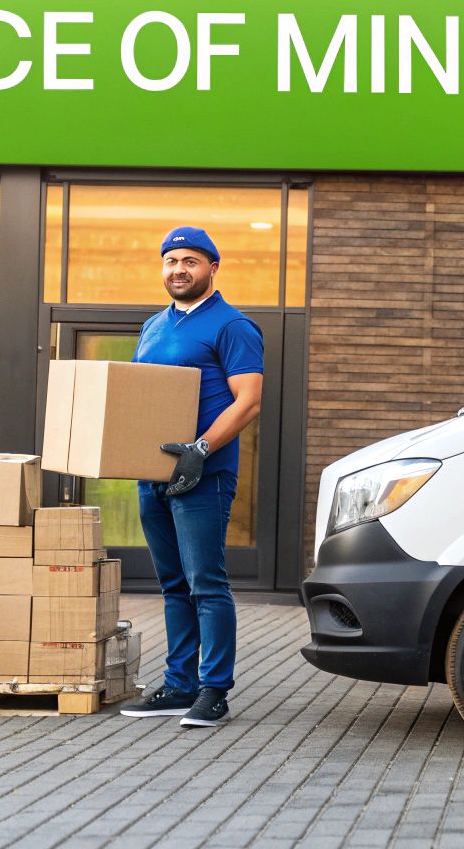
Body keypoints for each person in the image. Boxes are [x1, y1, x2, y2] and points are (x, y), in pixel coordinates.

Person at [118, 225, 264, 728]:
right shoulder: (153, 326)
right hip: (153, 474)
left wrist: (201, 449)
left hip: (205, 472)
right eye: (171, 261)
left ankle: (213, 690)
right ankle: (178, 686)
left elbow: (248, 400)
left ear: (212, 268)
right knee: (173, 584)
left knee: (206, 584)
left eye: (190, 261)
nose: (179, 270)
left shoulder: (232, 325)